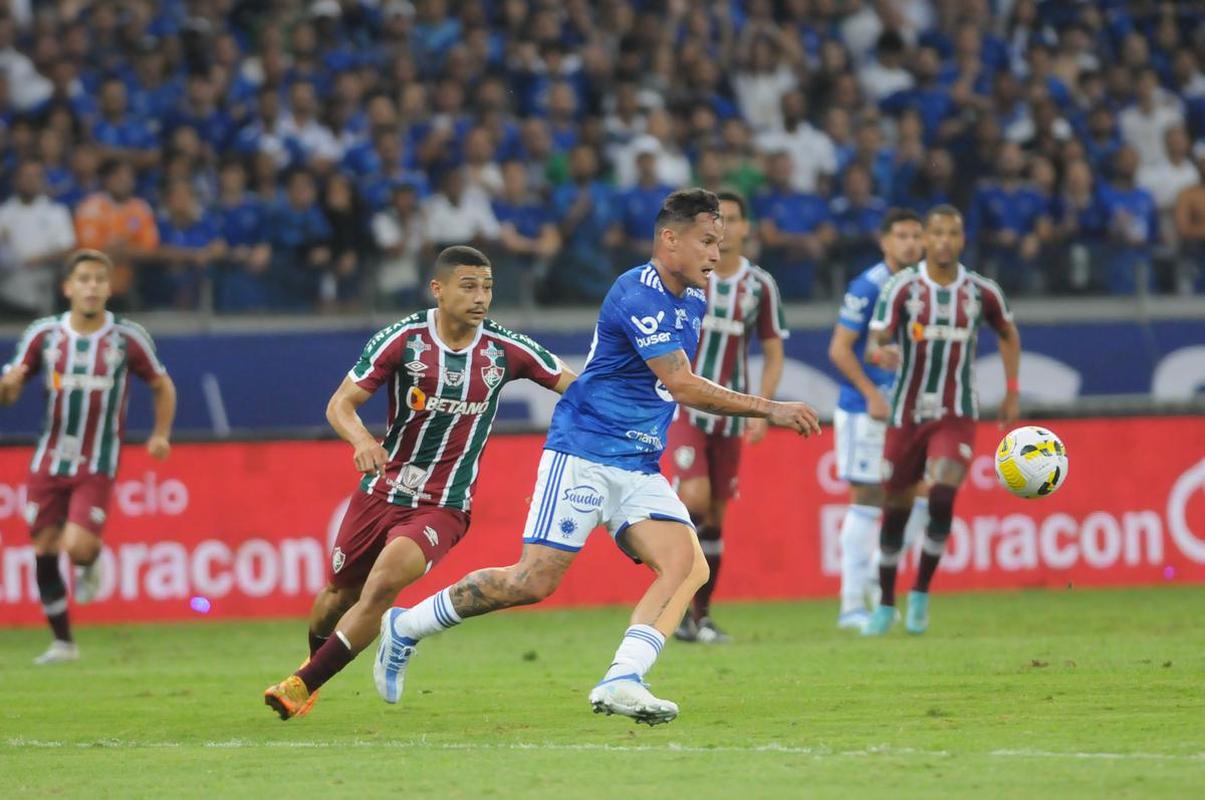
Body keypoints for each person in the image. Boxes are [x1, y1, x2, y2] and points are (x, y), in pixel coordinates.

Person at [372, 190, 820, 726]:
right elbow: (681, 384)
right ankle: (406, 626)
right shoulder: (636, 293)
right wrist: (770, 407)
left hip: (639, 464)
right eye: (706, 241)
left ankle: (623, 679)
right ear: (669, 239)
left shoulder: (694, 299)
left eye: (719, 242)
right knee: (532, 581)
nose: (715, 253)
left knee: (687, 565)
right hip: (584, 451)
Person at [263, 245, 575, 720]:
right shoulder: (403, 340)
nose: (481, 297)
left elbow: (576, 387)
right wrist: (361, 440)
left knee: (382, 585)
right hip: (382, 491)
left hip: (443, 504)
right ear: (438, 290)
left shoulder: (505, 349)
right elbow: (340, 404)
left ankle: (300, 685)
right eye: (468, 286)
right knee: (337, 597)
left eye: (487, 287)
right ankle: (314, 667)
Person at [0, 249, 176, 663]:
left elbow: (162, 385)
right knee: (44, 546)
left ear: (109, 288)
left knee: (77, 547)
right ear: (68, 287)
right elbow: (10, 392)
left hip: (96, 461)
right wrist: (7, 385)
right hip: (48, 459)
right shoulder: (44, 335)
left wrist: (160, 434)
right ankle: (63, 643)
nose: (92, 287)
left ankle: (88, 561)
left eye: (99, 279)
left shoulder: (126, 338)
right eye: (84, 279)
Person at [862, 206, 1021, 636]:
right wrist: (880, 352)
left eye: (953, 232)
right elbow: (875, 339)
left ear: (962, 239)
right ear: (926, 240)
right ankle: (886, 603)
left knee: (943, 494)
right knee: (895, 510)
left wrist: (1011, 389)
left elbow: (1008, 333)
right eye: (937, 233)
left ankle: (921, 593)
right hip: (907, 414)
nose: (945, 241)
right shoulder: (902, 287)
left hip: (957, 412)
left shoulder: (981, 292)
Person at [665, 191, 788, 644]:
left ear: (745, 227)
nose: (726, 228)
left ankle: (700, 617)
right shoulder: (687, 274)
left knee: (715, 517)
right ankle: (673, 599)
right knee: (694, 498)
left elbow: (773, 352)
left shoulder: (760, 286)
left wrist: (764, 408)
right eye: (719, 221)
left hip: (731, 415)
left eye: (734, 219)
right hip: (686, 408)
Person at [826, 208, 930, 631]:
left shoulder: (925, 286)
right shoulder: (867, 286)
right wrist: (871, 393)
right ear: (885, 242)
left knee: (922, 496)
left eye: (916, 236)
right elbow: (839, 349)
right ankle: (852, 604)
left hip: (909, 409)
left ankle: (873, 572)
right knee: (866, 497)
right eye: (901, 236)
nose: (910, 243)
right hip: (865, 409)